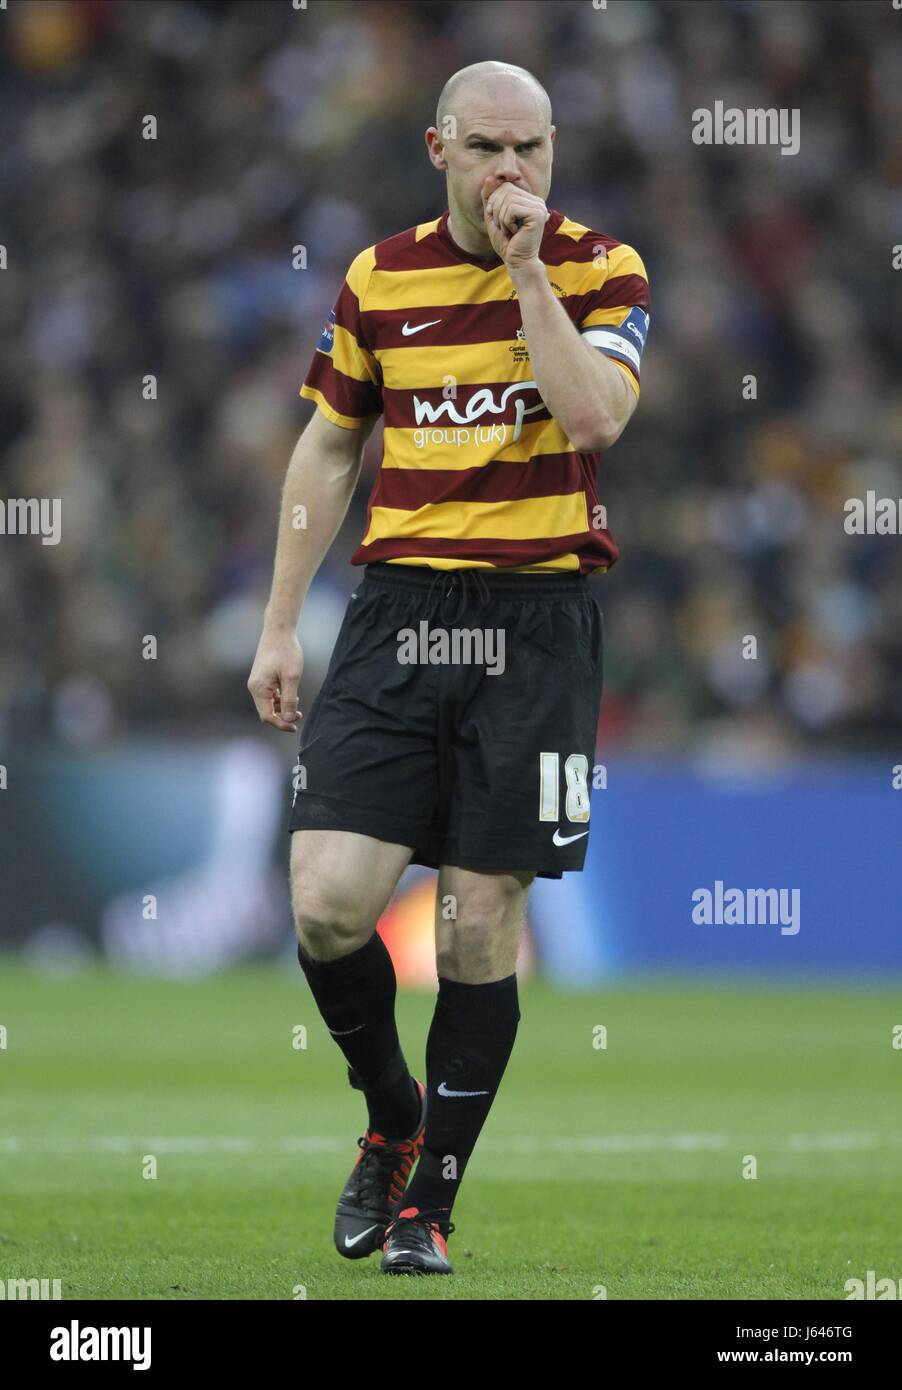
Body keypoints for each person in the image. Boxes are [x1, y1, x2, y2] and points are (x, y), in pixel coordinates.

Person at [247, 59, 650, 1276]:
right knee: (323, 899)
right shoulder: (380, 275)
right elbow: (328, 448)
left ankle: (431, 1201)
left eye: (530, 148)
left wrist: (525, 269)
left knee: (479, 930)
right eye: (485, 148)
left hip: (535, 621)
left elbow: (590, 421)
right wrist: (278, 622)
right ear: (437, 151)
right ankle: (391, 1112)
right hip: (400, 612)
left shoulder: (602, 269)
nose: (512, 172)